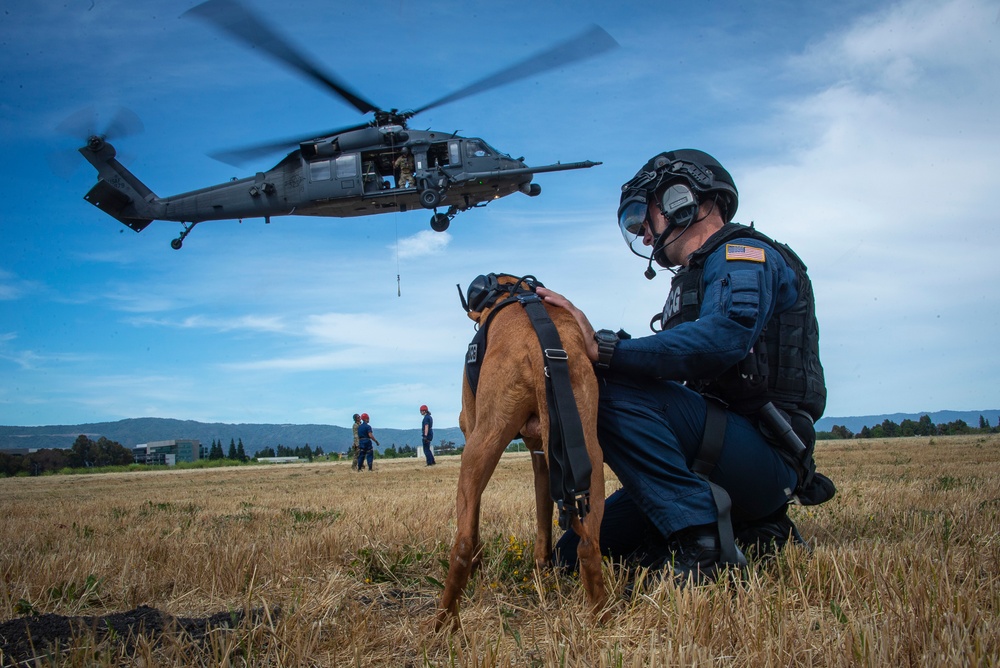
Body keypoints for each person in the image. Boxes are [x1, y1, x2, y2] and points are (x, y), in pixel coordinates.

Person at [538, 148, 834, 582]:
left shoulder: (744, 255)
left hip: (763, 452)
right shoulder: (700, 275)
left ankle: (704, 542)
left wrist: (604, 351)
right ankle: (755, 529)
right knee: (571, 554)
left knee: (599, 382)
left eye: (643, 214)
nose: (642, 235)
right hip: (717, 450)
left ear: (681, 199)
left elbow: (725, 338)